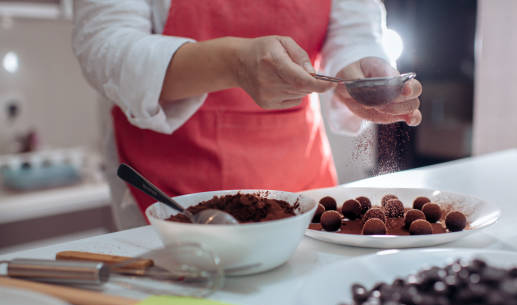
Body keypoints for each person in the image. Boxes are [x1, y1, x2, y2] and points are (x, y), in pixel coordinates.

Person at [72, 0, 422, 229]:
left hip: (300, 177)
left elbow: (354, 29)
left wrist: (360, 72)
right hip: (168, 188)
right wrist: (233, 64)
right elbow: (105, 45)